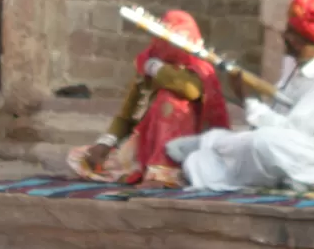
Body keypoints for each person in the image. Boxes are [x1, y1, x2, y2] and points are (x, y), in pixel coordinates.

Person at [167, 0, 314, 191]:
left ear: (301, 40)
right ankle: (206, 150)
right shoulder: (294, 65)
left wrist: (248, 101)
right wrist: (251, 106)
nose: (284, 36)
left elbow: (290, 131)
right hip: (289, 151)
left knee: (263, 142)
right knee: (213, 157)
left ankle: (209, 142)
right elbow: (276, 117)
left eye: (290, 32)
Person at [67, 10, 230, 189]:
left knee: (169, 100)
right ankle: (145, 171)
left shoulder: (199, 68)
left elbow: (189, 90)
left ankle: (165, 175)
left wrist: (157, 69)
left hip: (187, 151)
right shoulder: (147, 66)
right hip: (144, 145)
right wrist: (105, 143)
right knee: (79, 158)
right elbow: (127, 114)